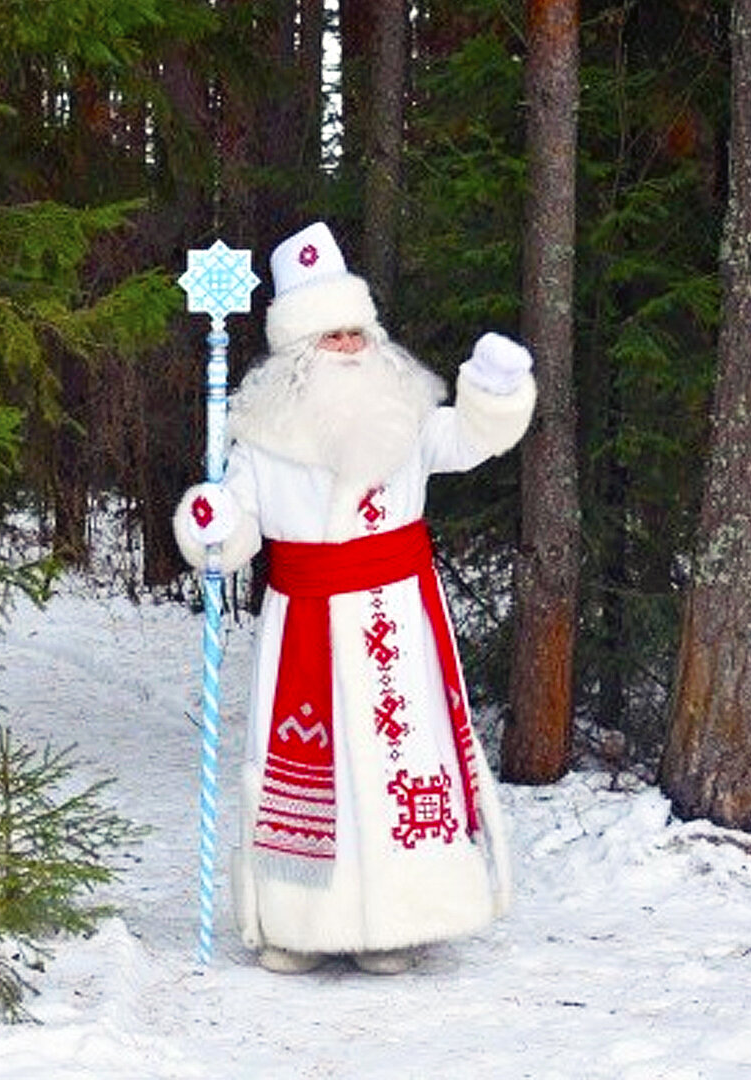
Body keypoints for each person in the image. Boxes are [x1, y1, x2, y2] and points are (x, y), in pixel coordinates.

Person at [173, 222, 536, 975]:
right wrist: (214, 520)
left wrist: (494, 392)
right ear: (299, 352)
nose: (348, 345)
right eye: (329, 335)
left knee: (399, 762)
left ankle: (397, 922)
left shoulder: (404, 416)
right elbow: (234, 521)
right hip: (305, 625)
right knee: (309, 775)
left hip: (395, 624)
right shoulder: (262, 436)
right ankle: (298, 925)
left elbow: (467, 438)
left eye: (354, 329)